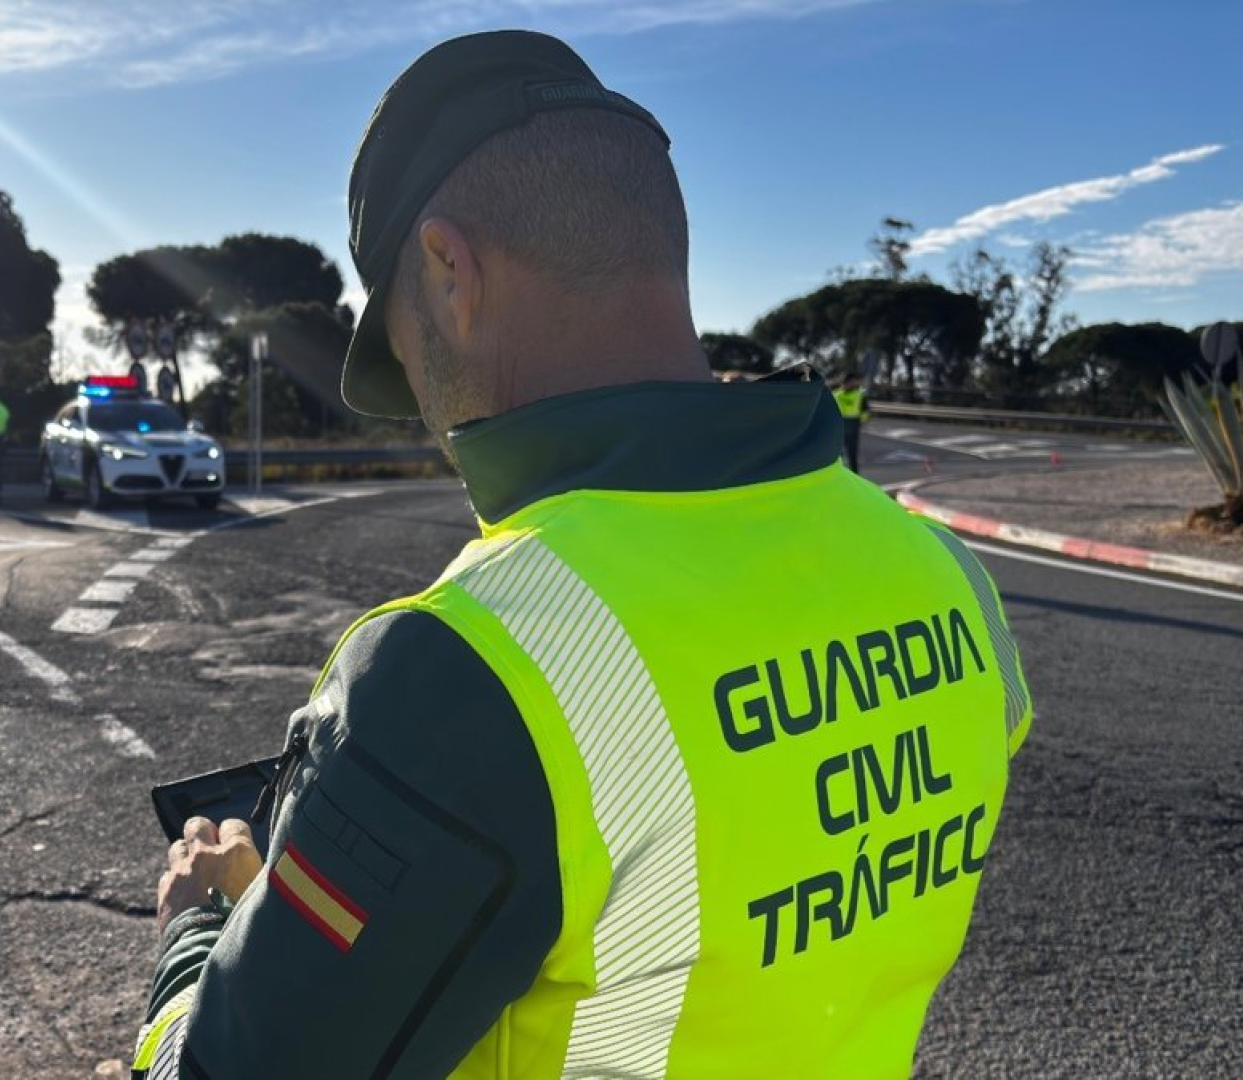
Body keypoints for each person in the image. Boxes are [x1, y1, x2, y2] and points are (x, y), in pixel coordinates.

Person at [131, 30, 1032, 1080]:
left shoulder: (465, 670)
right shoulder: (947, 575)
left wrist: (197, 928)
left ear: (449, 269)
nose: (420, 399)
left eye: (404, 348)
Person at [835, 372, 872, 473]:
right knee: (837, 456)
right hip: (840, 426)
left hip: (852, 425)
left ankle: (855, 476)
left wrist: (861, 422)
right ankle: (838, 477)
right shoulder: (836, 395)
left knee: (852, 455)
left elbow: (866, 411)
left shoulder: (860, 395)